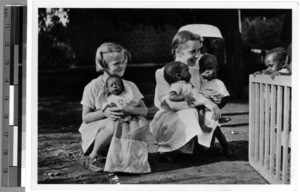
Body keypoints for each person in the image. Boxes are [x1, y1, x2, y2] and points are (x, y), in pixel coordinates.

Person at [78, 42, 155, 173]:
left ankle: (123, 155)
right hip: (99, 129)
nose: (122, 66)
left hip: (123, 124)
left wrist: (129, 109)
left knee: (141, 122)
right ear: (104, 65)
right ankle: (94, 155)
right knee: (113, 123)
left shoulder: (129, 85)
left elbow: (144, 110)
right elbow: (86, 118)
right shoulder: (93, 87)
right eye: (116, 64)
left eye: (123, 62)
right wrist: (105, 112)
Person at [150, 30, 223, 163]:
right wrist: (202, 102)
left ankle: (201, 145)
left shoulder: (195, 71)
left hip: (192, 109)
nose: (198, 55)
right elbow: (172, 104)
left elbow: (201, 93)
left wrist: (213, 98)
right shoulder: (162, 73)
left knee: (208, 112)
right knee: (191, 113)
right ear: (178, 51)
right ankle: (167, 148)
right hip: (170, 115)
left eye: (199, 50)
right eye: (192, 51)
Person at [164, 61, 221, 133]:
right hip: (193, 103)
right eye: (186, 71)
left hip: (197, 99)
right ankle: (202, 124)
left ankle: (217, 119)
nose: (189, 73)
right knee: (202, 108)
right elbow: (171, 96)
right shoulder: (177, 85)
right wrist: (184, 97)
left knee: (210, 102)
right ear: (179, 75)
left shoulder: (186, 83)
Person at [198, 54, 232, 156]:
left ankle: (226, 148)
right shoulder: (199, 83)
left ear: (216, 68)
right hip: (201, 111)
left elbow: (226, 97)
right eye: (203, 69)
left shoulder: (218, 83)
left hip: (212, 112)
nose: (207, 72)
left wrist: (218, 107)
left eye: (210, 68)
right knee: (203, 130)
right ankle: (208, 146)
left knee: (216, 130)